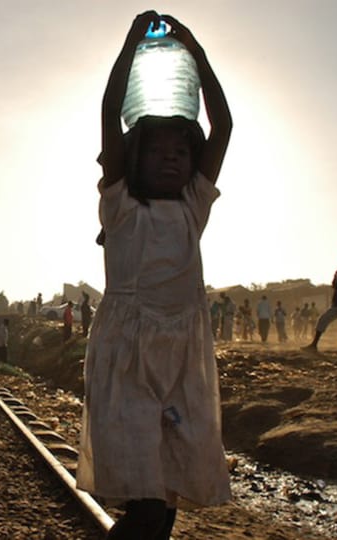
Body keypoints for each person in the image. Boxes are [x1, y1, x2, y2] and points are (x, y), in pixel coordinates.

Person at [77, 11, 232, 539]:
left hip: (182, 365)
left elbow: (224, 126)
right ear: (132, 157)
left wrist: (195, 50)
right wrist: (128, 43)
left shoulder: (192, 208)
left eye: (182, 151)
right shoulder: (121, 206)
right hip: (127, 365)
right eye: (159, 150)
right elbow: (108, 110)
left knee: (164, 512)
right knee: (144, 511)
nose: (172, 159)